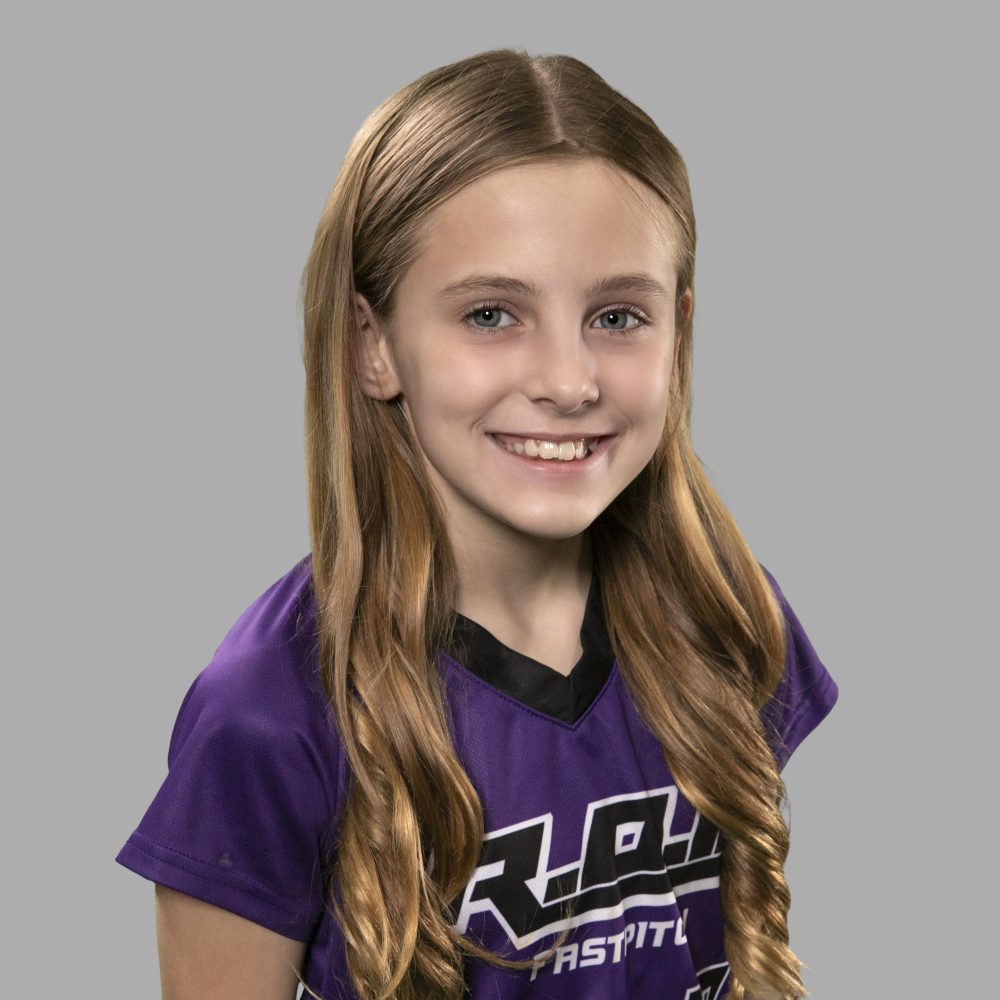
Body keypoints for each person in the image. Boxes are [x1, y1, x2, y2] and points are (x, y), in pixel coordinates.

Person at [116, 48, 838, 1000]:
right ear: (373, 344)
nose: (568, 382)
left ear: (681, 329)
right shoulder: (269, 710)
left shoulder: (726, 616)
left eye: (619, 317)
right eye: (493, 314)